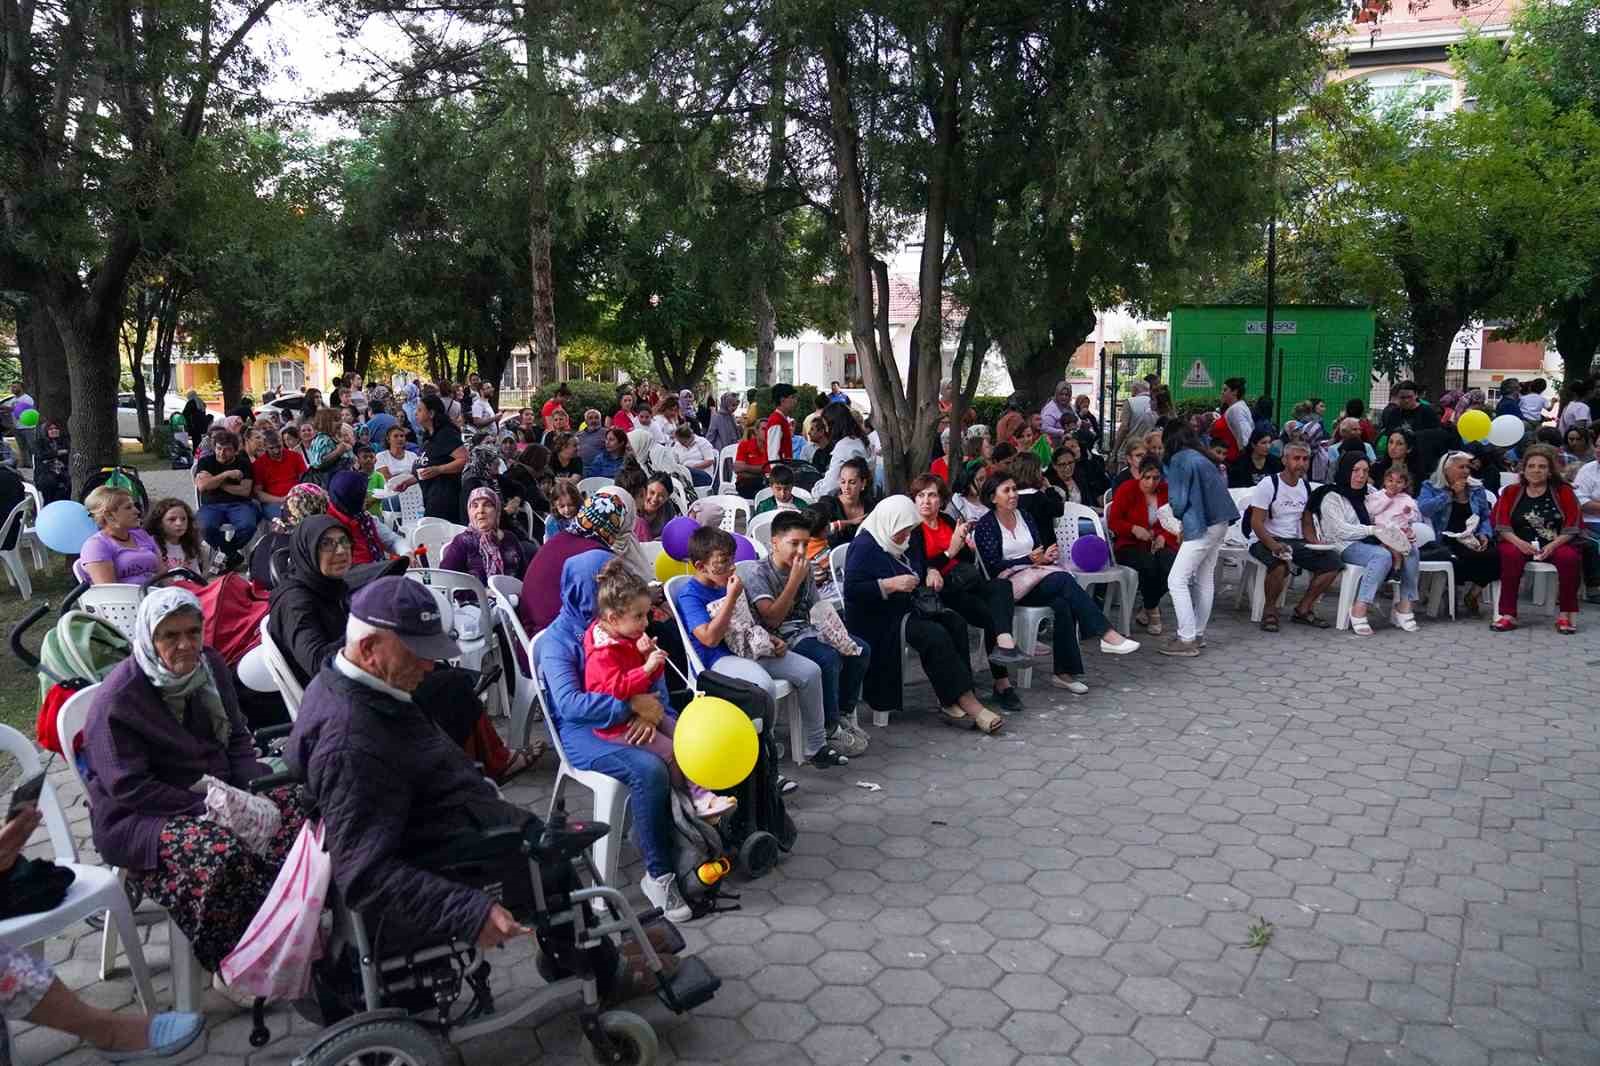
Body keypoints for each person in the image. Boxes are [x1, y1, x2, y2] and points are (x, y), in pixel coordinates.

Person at [286, 577, 560, 949]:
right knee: (554, 861)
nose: (429, 666)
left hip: (442, 807)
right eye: (417, 652)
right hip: (438, 843)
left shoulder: (355, 678)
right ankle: (593, 968)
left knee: (549, 839)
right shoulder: (350, 742)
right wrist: (468, 911)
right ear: (368, 648)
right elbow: (364, 874)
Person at [84, 588, 309, 973]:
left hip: (214, 789)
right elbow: (130, 788)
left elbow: (237, 736)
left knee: (302, 808)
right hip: (140, 816)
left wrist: (251, 789)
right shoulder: (119, 701)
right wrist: (214, 807)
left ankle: (285, 925)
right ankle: (234, 960)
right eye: (170, 636)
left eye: (193, 631)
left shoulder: (210, 666)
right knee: (220, 853)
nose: (186, 645)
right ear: (148, 638)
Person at [536, 552, 695, 919]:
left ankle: (688, 840)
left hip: (631, 715)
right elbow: (573, 705)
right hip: (582, 732)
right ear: (580, 590)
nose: (612, 589)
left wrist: (656, 712)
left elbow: (651, 675)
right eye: (602, 583)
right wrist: (631, 709)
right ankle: (658, 875)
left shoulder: (621, 622)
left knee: (683, 742)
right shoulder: (558, 641)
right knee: (649, 769)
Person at [836, 497, 1000, 734]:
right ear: (889, 524)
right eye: (901, 532)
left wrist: (932, 569)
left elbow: (921, 566)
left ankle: (953, 697)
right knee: (933, 635)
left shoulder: (907, 539)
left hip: (908, 606)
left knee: (954, 622)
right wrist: (889, 585)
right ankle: (968, 704)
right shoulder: (865, 546)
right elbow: (853, 590)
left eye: (908, 531)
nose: (905, 537)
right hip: (877, 618)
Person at [584, 559, 733, 817]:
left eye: (647, 614)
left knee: (685, 736)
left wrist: (648, 659)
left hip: (641, 711)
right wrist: (645, 668)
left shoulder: (625, 636)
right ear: (613, 618)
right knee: (672, 752)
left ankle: (702, 792)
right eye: (638, 616)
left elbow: (650, 682)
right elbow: (615, 690)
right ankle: (691, 801)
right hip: (618, 725)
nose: (645, 623)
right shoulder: (602, 653)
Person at [971, 470, 1140, 691]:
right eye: (1007, 490)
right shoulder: (986, 525)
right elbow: (992, 567)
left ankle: (1064, 673)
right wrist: (1028, 559)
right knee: (1062, 581)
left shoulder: (1025, 517)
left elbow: (1037, 549)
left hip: (1034, 577)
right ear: (993, 497)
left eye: (1014, 489)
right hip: (1006, 588)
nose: (1013, 494)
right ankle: (1106, 633)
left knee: (1063, 603)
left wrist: (1045, 557)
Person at [738, 511, 871, 759]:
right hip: (779, 638)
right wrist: (794, 582)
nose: (801, 550)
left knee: (859, 649)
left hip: (807, 629)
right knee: (828, 658)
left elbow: (815, 606)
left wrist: (835, 632)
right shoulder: (759, 573)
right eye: (794, 543)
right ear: (774, 543)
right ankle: (829, 729)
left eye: (805, 544)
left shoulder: (804, 568)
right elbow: (772, 619)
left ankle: (841, 713)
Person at [908, 475, 1028, 711]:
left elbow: (966, 559)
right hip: (940, 593)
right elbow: (919, 568)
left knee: (1001, 587)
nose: (926, 501)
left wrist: (965, 546)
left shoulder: (946, 520)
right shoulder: (912, 529)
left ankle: (1003, 647)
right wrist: (950, 552)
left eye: (932, 495)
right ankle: (998, 682)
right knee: (992, 612)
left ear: (941, 499)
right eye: (920, 496)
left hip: (964, 581)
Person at [519, 486, 657, 633]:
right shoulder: (598, 557)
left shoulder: (563, 537)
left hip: (533, 632)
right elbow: (608, 613)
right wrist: (647, 597)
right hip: (558, 638)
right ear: (618, 524)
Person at [1312, 453, 1422, 636]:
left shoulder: (1370, 492)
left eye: (1365, 471)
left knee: (1410, 550)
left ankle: (1404, 606)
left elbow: (1391, 513)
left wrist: (1404, 530)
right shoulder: (1332, 497)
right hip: (1344, 544)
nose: (1361, 475)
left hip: (1374, 540)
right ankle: (1359, 607)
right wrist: (1373, 531)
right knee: (1382, 556)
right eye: (1355, 470)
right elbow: (1340, 530)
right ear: (1346, 470)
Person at [1242, 441, 1344, 631]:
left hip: (1295, 541)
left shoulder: (1305, 487)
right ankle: (1270, 611)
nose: (1302, 463)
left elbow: (1305, 521)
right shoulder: (1269, 484)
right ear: (1284, 460)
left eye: (1305, 459)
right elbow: (1256, 523)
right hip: (1265, 539)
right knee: (1280, 564)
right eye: (1296, 458)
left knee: (1333, 562)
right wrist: (1274, 546)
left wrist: (1315, 542)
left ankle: (1303, 609)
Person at [1159, 420, 1240, 655]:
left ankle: (1186, 639)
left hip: (1201, 524)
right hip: (1220, 522)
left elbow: (1179, 501)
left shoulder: (1179, 460)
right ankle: (1197, 633)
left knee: (1176, 580)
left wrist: (1177, 518)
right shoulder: (1202, 457)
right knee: (1204, 579)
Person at [1490, 442, 1582, 634]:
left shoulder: (1563, 491)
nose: (1536, 470)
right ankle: (1508, 615)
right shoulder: (1511, 492)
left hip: (1557, 542)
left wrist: (1553, 546)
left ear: (1550, 471)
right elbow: (1501, 524)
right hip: (1518, 541)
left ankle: (1565, 615)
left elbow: (1573, 525)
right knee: (1510, 555)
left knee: (1569, 558)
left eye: (1542, 466)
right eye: (1531, 466)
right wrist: (1519, 542)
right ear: (1523, 470)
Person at [1418, 450, 1500, 615]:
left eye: (1468, 467)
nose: (1466, 471)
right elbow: (1424, 509)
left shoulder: (1476, 488)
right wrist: (1449, 494)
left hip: (1473, 537)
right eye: (1461, 467)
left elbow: (1485, 516)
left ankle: (1473, 593)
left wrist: (1484, 534)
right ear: (1446, 469)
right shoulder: (1431, 486)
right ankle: (1450, 593)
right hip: (1446, 538)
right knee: (1465, 557)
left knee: (1499, 555)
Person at [1106, 457, 1180, 636]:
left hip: (1157, 542)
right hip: (1129, 544)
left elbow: (1173, 520)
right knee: (1149, 565)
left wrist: (1163, 535)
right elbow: (1113, 521)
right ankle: (1153, 610)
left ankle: (1147, 605)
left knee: (1173, 567)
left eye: (1156, 478)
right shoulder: (1127, 489)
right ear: (1139, 475)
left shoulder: (1165, 491)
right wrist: (1133, 528)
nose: (1151, 482)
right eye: (1147, 477)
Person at [443, 486, 538, 585]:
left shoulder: (510, 538)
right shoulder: (462, 542)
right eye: (475, 506)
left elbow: (525, 576)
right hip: (476, 599)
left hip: (512, 597)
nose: (480, 511)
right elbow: (447, 579)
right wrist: (481, 594)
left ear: (497, 511)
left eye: (487, 505)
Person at [192, 429, 258, 563]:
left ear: (235, 450)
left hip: (240, 504)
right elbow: (203, 486)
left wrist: (217, 483)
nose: (221, 453)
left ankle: (225, 552)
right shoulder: (206, 461)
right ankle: (231, 554)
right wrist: (226, 475)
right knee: (203, 527)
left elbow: (244, 491)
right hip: (211, 505)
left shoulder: (243, 463)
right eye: (218, 448)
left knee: (248, 525)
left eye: (227, 449)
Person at [81, 486, 165, 586]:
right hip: (126, 600)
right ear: (109, 515)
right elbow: (109, 591)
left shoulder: (141, 535)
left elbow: (164, 575)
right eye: (128, 507)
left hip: (157, 596)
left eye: (134, 506)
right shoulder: (96, 545)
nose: (137, 512)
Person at [327, 470, 401, 564]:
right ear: (351, 498)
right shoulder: (329, 526)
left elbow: (391, 540)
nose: (367, 496)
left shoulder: (363, 518)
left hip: (375, 572)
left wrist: (406, 552)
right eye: (361, 494)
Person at [807, 457, 873, 562]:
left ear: (863, 483)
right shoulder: (828, 505)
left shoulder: (871, 507)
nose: (846, 487)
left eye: (852, 482)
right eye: (843, 482)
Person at [415, 394, 468, 523]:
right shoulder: (428, 436)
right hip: (429, 496)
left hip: (445, 499)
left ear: (431, 413)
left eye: (420, 410)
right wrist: (407, 482)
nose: (416, 413)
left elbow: (464, 459)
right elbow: (425, 468)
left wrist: (439, 469)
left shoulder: (446, 433)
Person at [143, 497, 207, 578]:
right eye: (172, 519)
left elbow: (196, 576)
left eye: (183, 519)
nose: (179, 523)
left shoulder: (190, 547)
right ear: (159, 523)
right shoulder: (152, 545)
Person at [1209, 377, 1254, 463]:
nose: (1222, 393)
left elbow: (1245, 437)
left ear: (1235, 392)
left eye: (1225, 390)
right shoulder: (1234, 408)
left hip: (1232, 461)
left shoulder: (1237, 410)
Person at [1369, 426, 1424, 491]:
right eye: (1391, 442)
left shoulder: (1416, 473)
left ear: (1409, 449)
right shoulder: (1377, 467)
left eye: (1399, 444)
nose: (1393, 447)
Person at [32, 418, 69, 503]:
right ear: (46, 431)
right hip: (45, 473)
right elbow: (41, 455)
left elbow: (68, 454)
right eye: (51, 429)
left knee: (66, 485)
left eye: (56, 428)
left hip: (62, 472)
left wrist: (51, 456)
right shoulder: (39, 443)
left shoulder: (64, 441)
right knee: (50, 483)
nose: (54, 431)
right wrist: (58, 452)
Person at [670, 422, 716, 487]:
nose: (682, 444)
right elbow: (675, 462)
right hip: (685, 474)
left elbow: (710, 461)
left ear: (691, 437)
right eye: (680, 442)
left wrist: (692, 468)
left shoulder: (702, 442)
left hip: (703, 474)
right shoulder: (677, 445)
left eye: (684, 442)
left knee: (685, 473)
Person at [764, 384, 798, 471]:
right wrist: (777, 475)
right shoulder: (776, 421)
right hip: (779, 476)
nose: (795, 401)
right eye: (792, 397)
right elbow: (773, 454)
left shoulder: (781, 419)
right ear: (782, 400)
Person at [634, 474, 677, 542]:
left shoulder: (668, 511)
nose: (654, 499)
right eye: (652, 492)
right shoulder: (632, 507)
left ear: (667, 498)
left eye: (661, 496)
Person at [1039, 382, 1076, 446]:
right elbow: (1044, 428)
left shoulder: (1069, 406)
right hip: (1054, 444)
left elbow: (1076, 418)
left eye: (1066, 395)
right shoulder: (1050, 408)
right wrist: (1062, 432)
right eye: (1061, 394)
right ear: (1056, 394)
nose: (1064, 397)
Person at [706, 392, 741, 456]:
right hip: (721, 450)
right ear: (725, 404)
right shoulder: (717, 417)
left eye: (736, 405)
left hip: (732, 448)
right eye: (733, 405)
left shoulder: (731, 416)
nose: (735, 408)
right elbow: (710, 436)